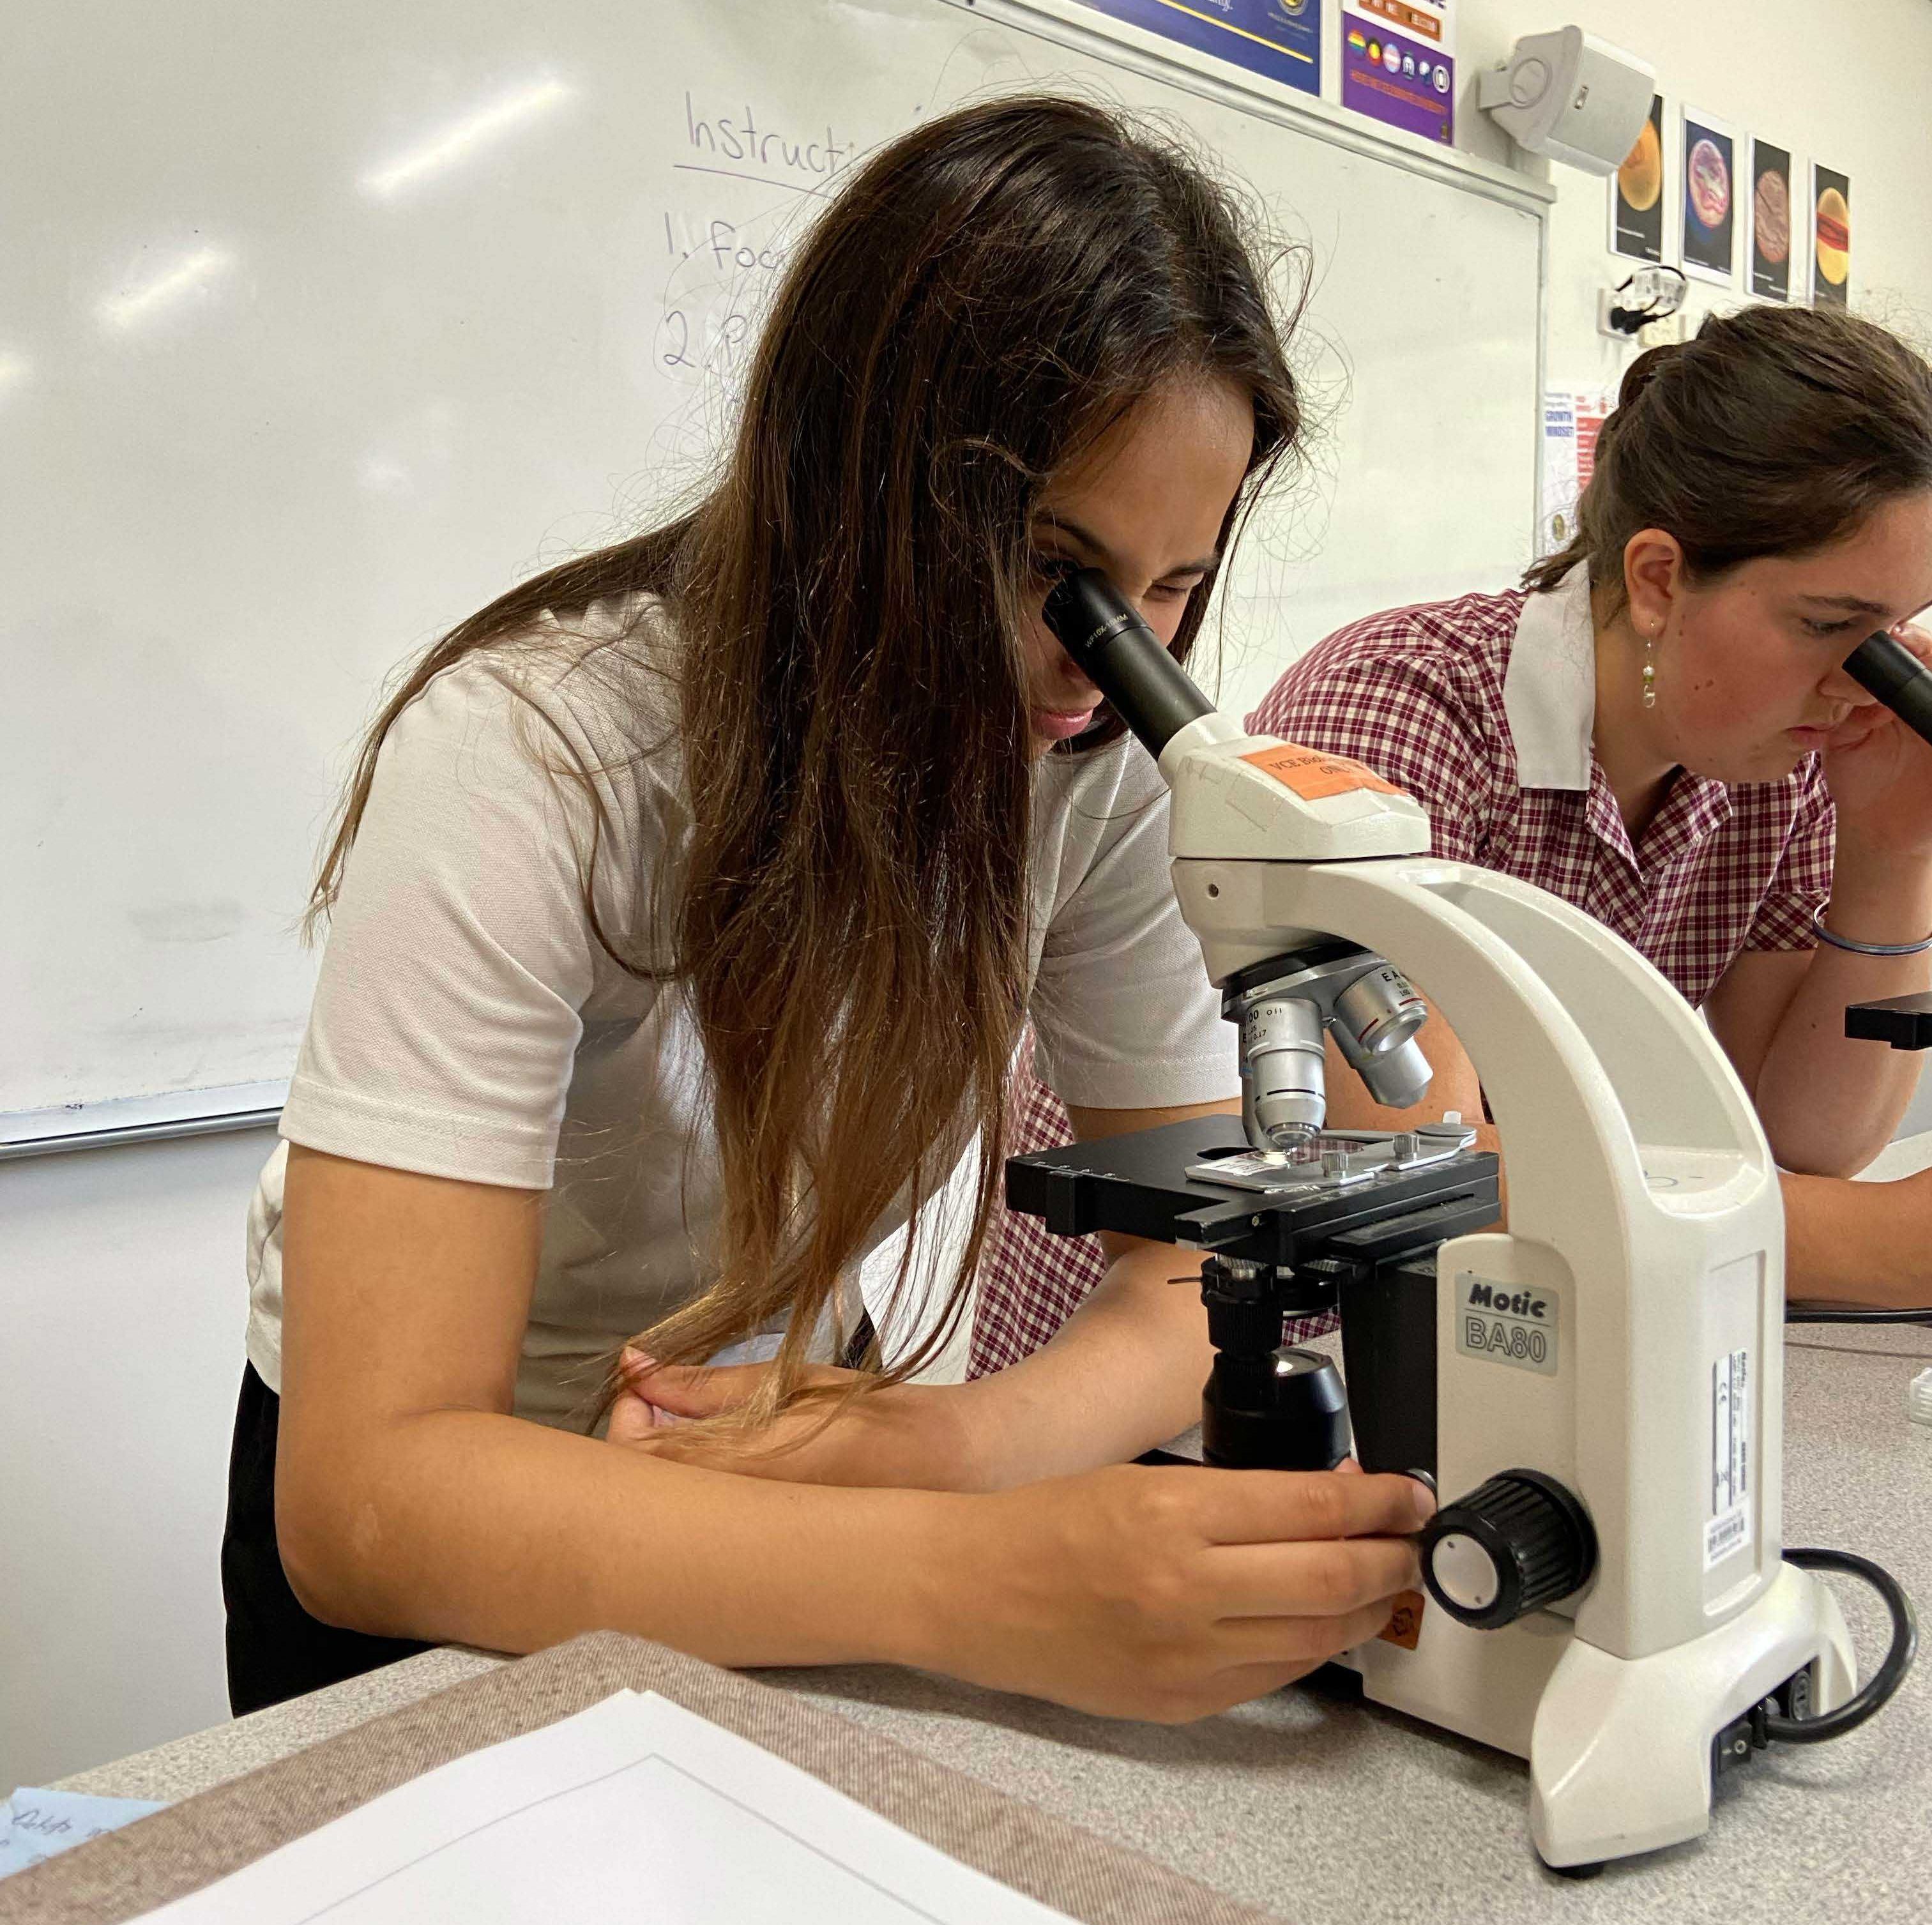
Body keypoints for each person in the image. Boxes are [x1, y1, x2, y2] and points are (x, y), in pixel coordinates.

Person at [221, 95, 1434, 1722]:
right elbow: (370, 1503)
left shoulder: (1097, 763)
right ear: (854, 482)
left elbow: (1182, 1270)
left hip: (788, 1463)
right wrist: (992, 1576)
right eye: (1059, 568)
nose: (1108, 661)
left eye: (1171, 585)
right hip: (471, 1517)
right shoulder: (538, 753)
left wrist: (957, 1445)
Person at [961, 304, 1932, 1366]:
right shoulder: (1404, 706)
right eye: (1830, 626)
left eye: (1891, 633)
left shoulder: (1771, 770)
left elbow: (1796, 1141)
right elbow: (1407, 1160)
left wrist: (1892, 852)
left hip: (1473, 1333)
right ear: (1657, 580)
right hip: (1179, 1343)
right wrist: (1883, 1251)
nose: (1859, 685)